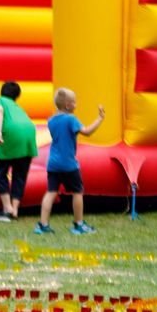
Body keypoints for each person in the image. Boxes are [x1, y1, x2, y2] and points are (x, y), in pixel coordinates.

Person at [35, 87, 104, 235]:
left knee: (51, 192)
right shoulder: (71, 119)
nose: (76, 105)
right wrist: (99, 119)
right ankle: (78, 224)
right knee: (77, 191)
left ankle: (42, 225)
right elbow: (87, 132)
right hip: (68, 164)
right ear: (68, 105)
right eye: (74, 102)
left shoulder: (51, 120)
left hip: (53, 164)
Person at [0, 81, 37, 222]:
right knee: (19, 175)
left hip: (12, 133)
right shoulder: (17, 107)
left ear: (2, 91)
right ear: (17, 96)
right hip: (29, 132)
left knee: (0, 172)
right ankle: (15, 209)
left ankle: (7, 209)